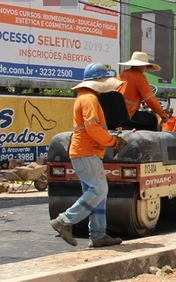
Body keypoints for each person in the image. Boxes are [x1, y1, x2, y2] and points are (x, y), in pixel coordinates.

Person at [50, 63, 128, 249]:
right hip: (87, 151)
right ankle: (64, 220)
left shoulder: (84, 97)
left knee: (97, 193)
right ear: (99, 81)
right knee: (99, 191)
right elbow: (92, 127)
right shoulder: (90, 99)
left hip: (86, 151)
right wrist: (112, 141)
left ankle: (98, 235)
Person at [117, 51, 169, 128]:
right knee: (152, 119)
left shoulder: (121, 74)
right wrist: (163, 114)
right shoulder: (140, 77)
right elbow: (150, 99)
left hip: (115, 114)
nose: (145, 69)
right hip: (129, 114)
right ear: (142, 66)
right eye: (145, 66)